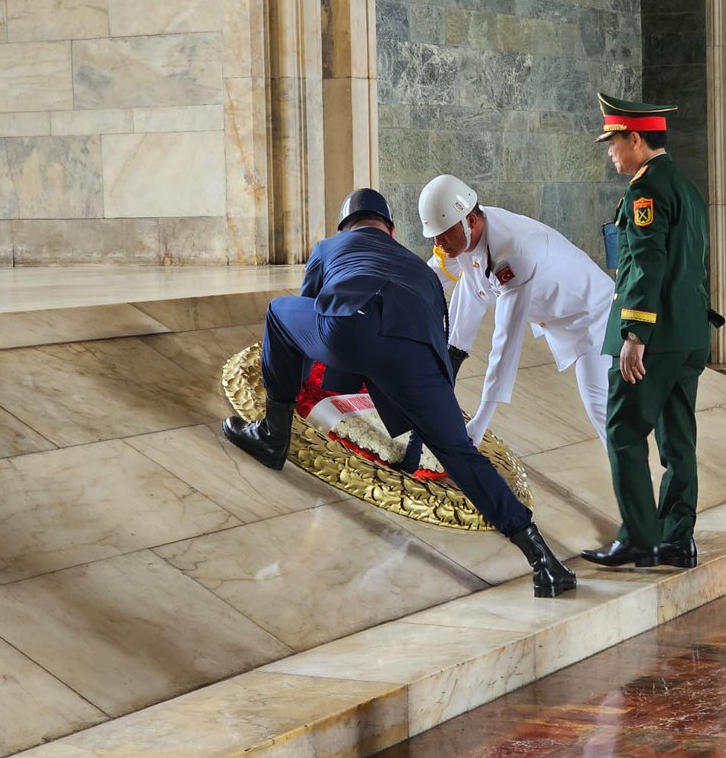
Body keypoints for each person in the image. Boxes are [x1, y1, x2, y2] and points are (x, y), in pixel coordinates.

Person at [221, 188, 576, 599]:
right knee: (461, 455)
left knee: (280, 315)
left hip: (350, 328)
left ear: (344, 228)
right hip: (418, 358)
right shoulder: (421, 270)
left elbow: (308, 319)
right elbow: (439, 343)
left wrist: (301, 386)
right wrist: (424, 421)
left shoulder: (328, 247)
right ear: (390, 230)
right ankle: (543, 560)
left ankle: (272, 436)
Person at [580, 92, 714, 570]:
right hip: (690, 332)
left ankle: (639, 536)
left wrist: (635, 335)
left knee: (623, 431)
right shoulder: (684, 185)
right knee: (678, 440)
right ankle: (678, 538)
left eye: (613, 141)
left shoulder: (645, 191)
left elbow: (645, 265)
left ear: (634, 139)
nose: (610, 150)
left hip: (653, 339)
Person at [415, 173, 615, 450]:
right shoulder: (465, 237)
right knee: (606, 403)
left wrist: (480, 422)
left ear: (470, 221)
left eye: (443, 235)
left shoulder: (514, 251)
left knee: (599, 403)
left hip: (594, 313)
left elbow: (506, 341)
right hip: (559, 314)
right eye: (434, 236)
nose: (438, 243)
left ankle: (634, 485)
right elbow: (443, 280)